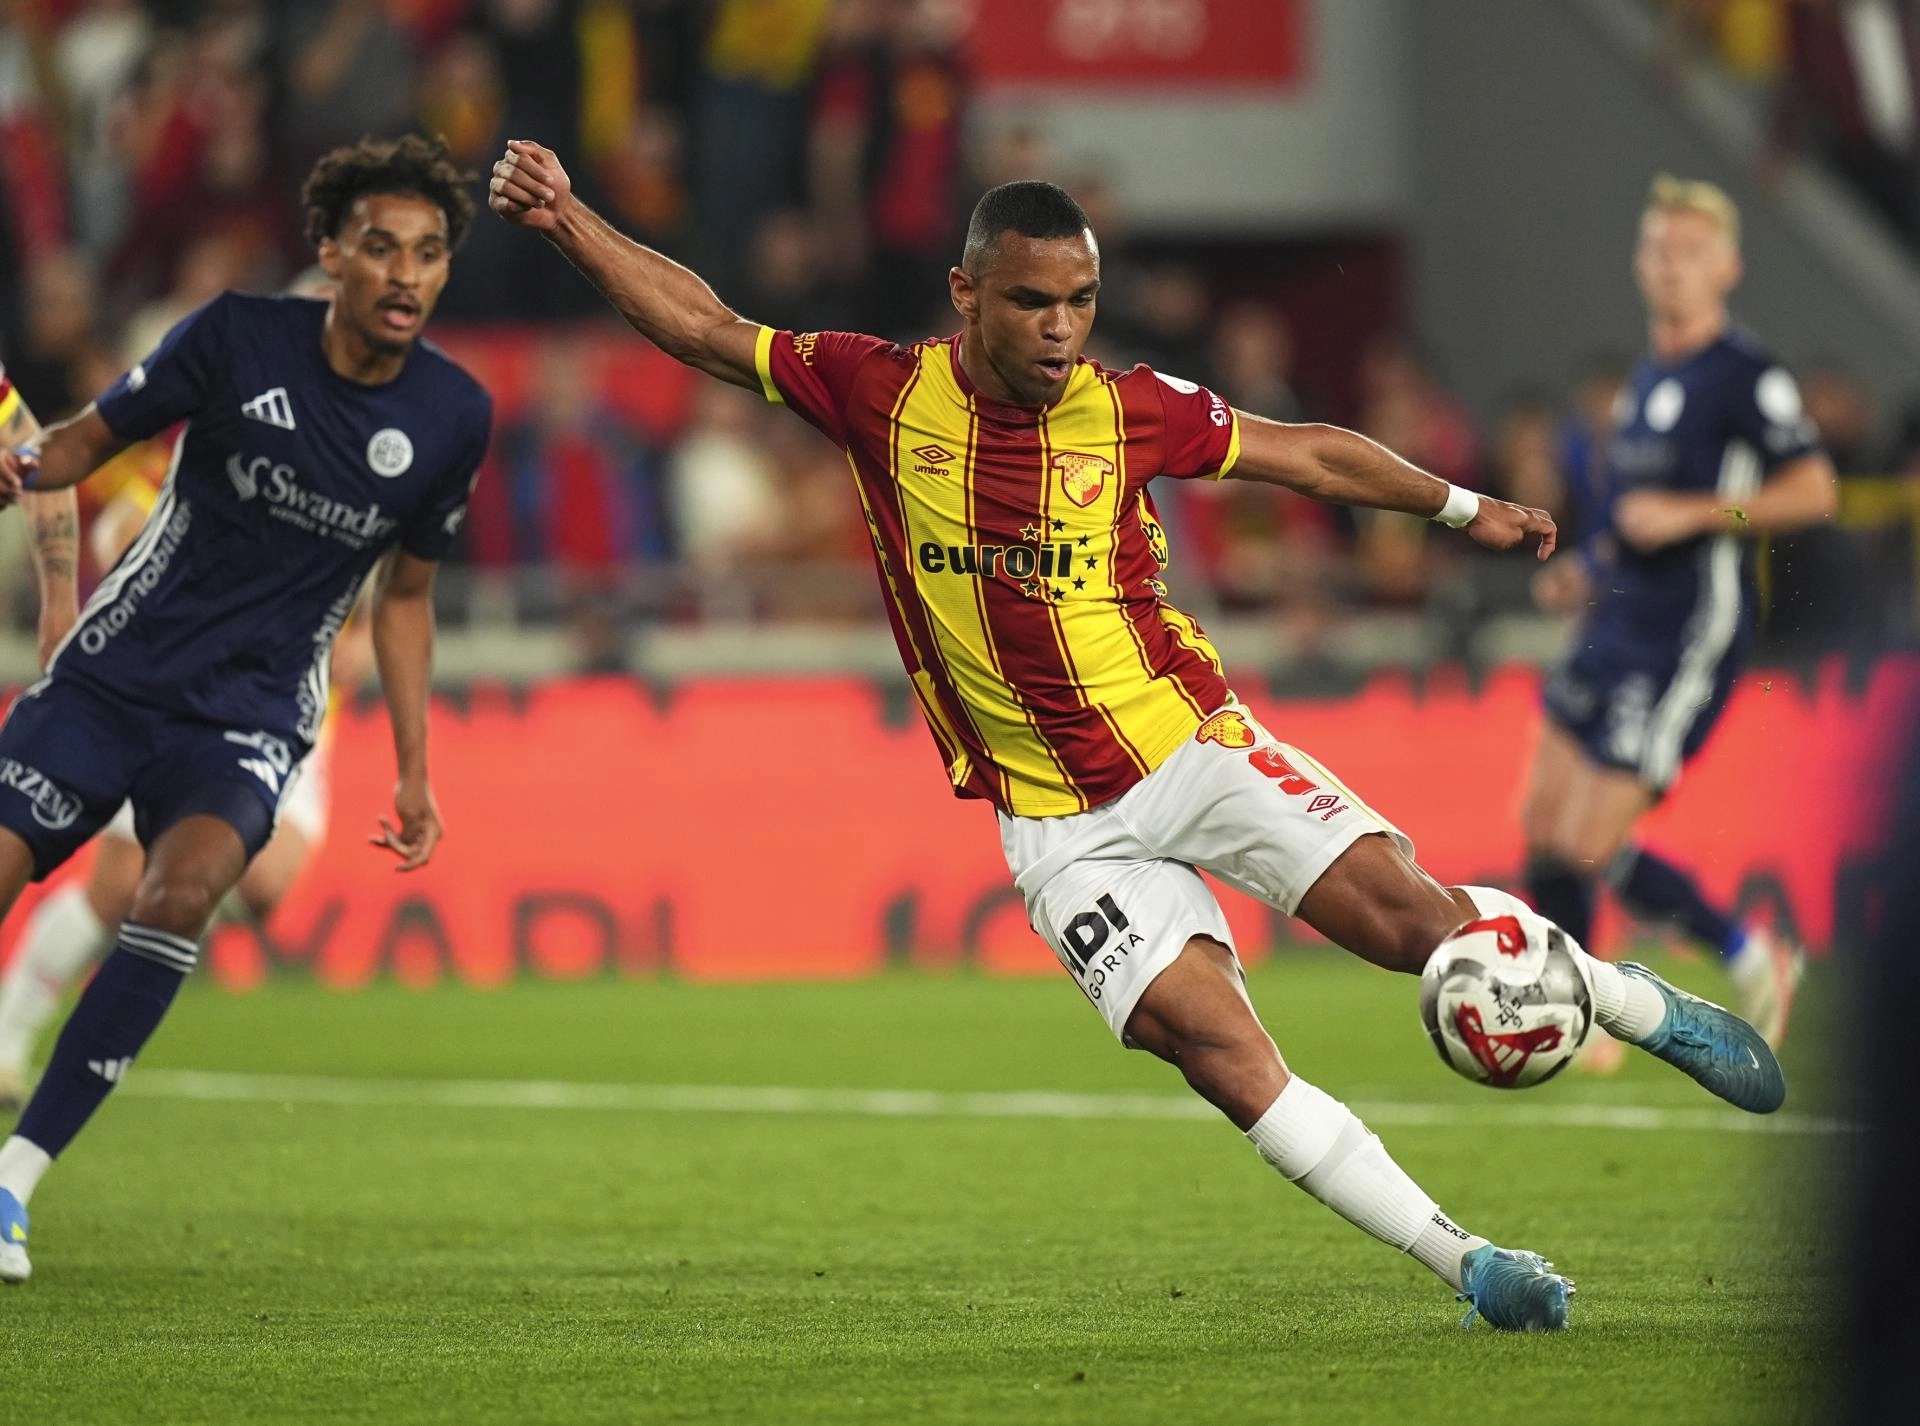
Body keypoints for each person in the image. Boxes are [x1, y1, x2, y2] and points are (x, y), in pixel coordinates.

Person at [490, 140, 1787, 1333]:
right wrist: (568, 219)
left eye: (1080, 301)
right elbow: (707, 328)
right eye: (1031, 302)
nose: (1060, 329)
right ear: (966, 294)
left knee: (1417, 926)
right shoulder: (880, 392)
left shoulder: (1130, 409)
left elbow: (1305, 457)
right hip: (1059, 830)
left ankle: (1638, 1002)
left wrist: (1461, 507)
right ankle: (1473, 1265)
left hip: (1189, 749)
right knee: (1221, 1056)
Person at [0, 135, 492, 1285]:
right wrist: (23, 468)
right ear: (331, 252)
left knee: (181, 895)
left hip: (252, 714)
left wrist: (414, 767)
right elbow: (86, 443)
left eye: (429, 253)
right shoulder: (233, 336)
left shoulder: (452, 414)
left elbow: (405, 599)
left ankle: (14, 1180)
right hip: (115, 675)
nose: (406, 274)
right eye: (381, 247)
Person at [1525, 176, 1838, 1053]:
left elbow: (1814, 491)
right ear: (1639, 261)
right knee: (1544, 828)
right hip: (1614, 621)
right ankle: (1581, 1011)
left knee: (1590, 844)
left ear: (1728, 267)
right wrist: (1587, 569)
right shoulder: (1647, 380)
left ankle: (1747, 953)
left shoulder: (1745, 375)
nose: (1671, 266)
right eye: (1659, 248)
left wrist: (1700, 513)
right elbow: (1630, 519)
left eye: (1690, 252)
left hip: (1686, 632)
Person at [0, 476, 375, 1109]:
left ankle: (157, 910)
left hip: (290, 719)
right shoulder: (219, 452)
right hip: (181, 707)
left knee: (262, 887)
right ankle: (7, 1039)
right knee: (113, 891)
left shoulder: (346, 464)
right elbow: (118, 525)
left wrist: (363, 634)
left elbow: (382, 567)